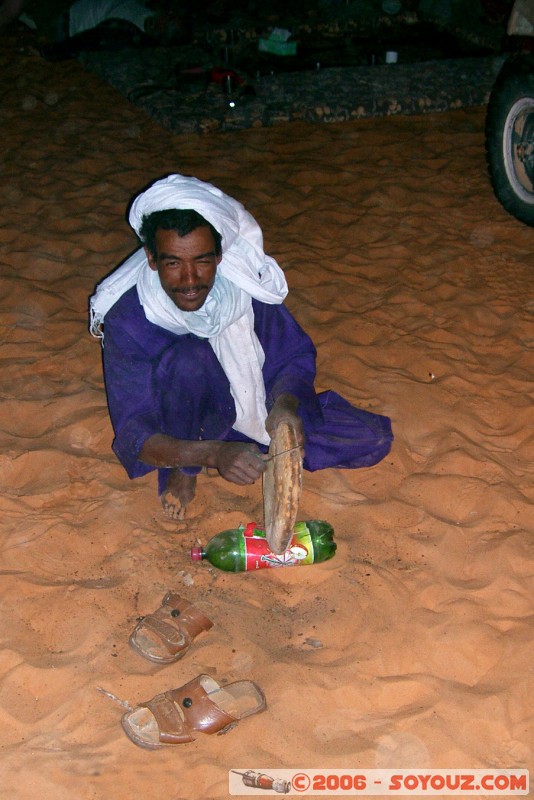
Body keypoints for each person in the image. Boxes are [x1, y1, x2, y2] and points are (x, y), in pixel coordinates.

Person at [90, 174, 393, 519]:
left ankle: (241, 446)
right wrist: (214, 454)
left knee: (369, 437)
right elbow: (135, 431)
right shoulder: (129, 319)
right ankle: (182, 469)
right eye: (173, 262)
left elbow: (291, 355)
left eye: (202, 260)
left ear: (220, 256)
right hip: (182, 425)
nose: (189, 280)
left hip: (246, 410)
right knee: (190, 360)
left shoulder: (244, 289)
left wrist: (285, 406)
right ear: (151, 258)